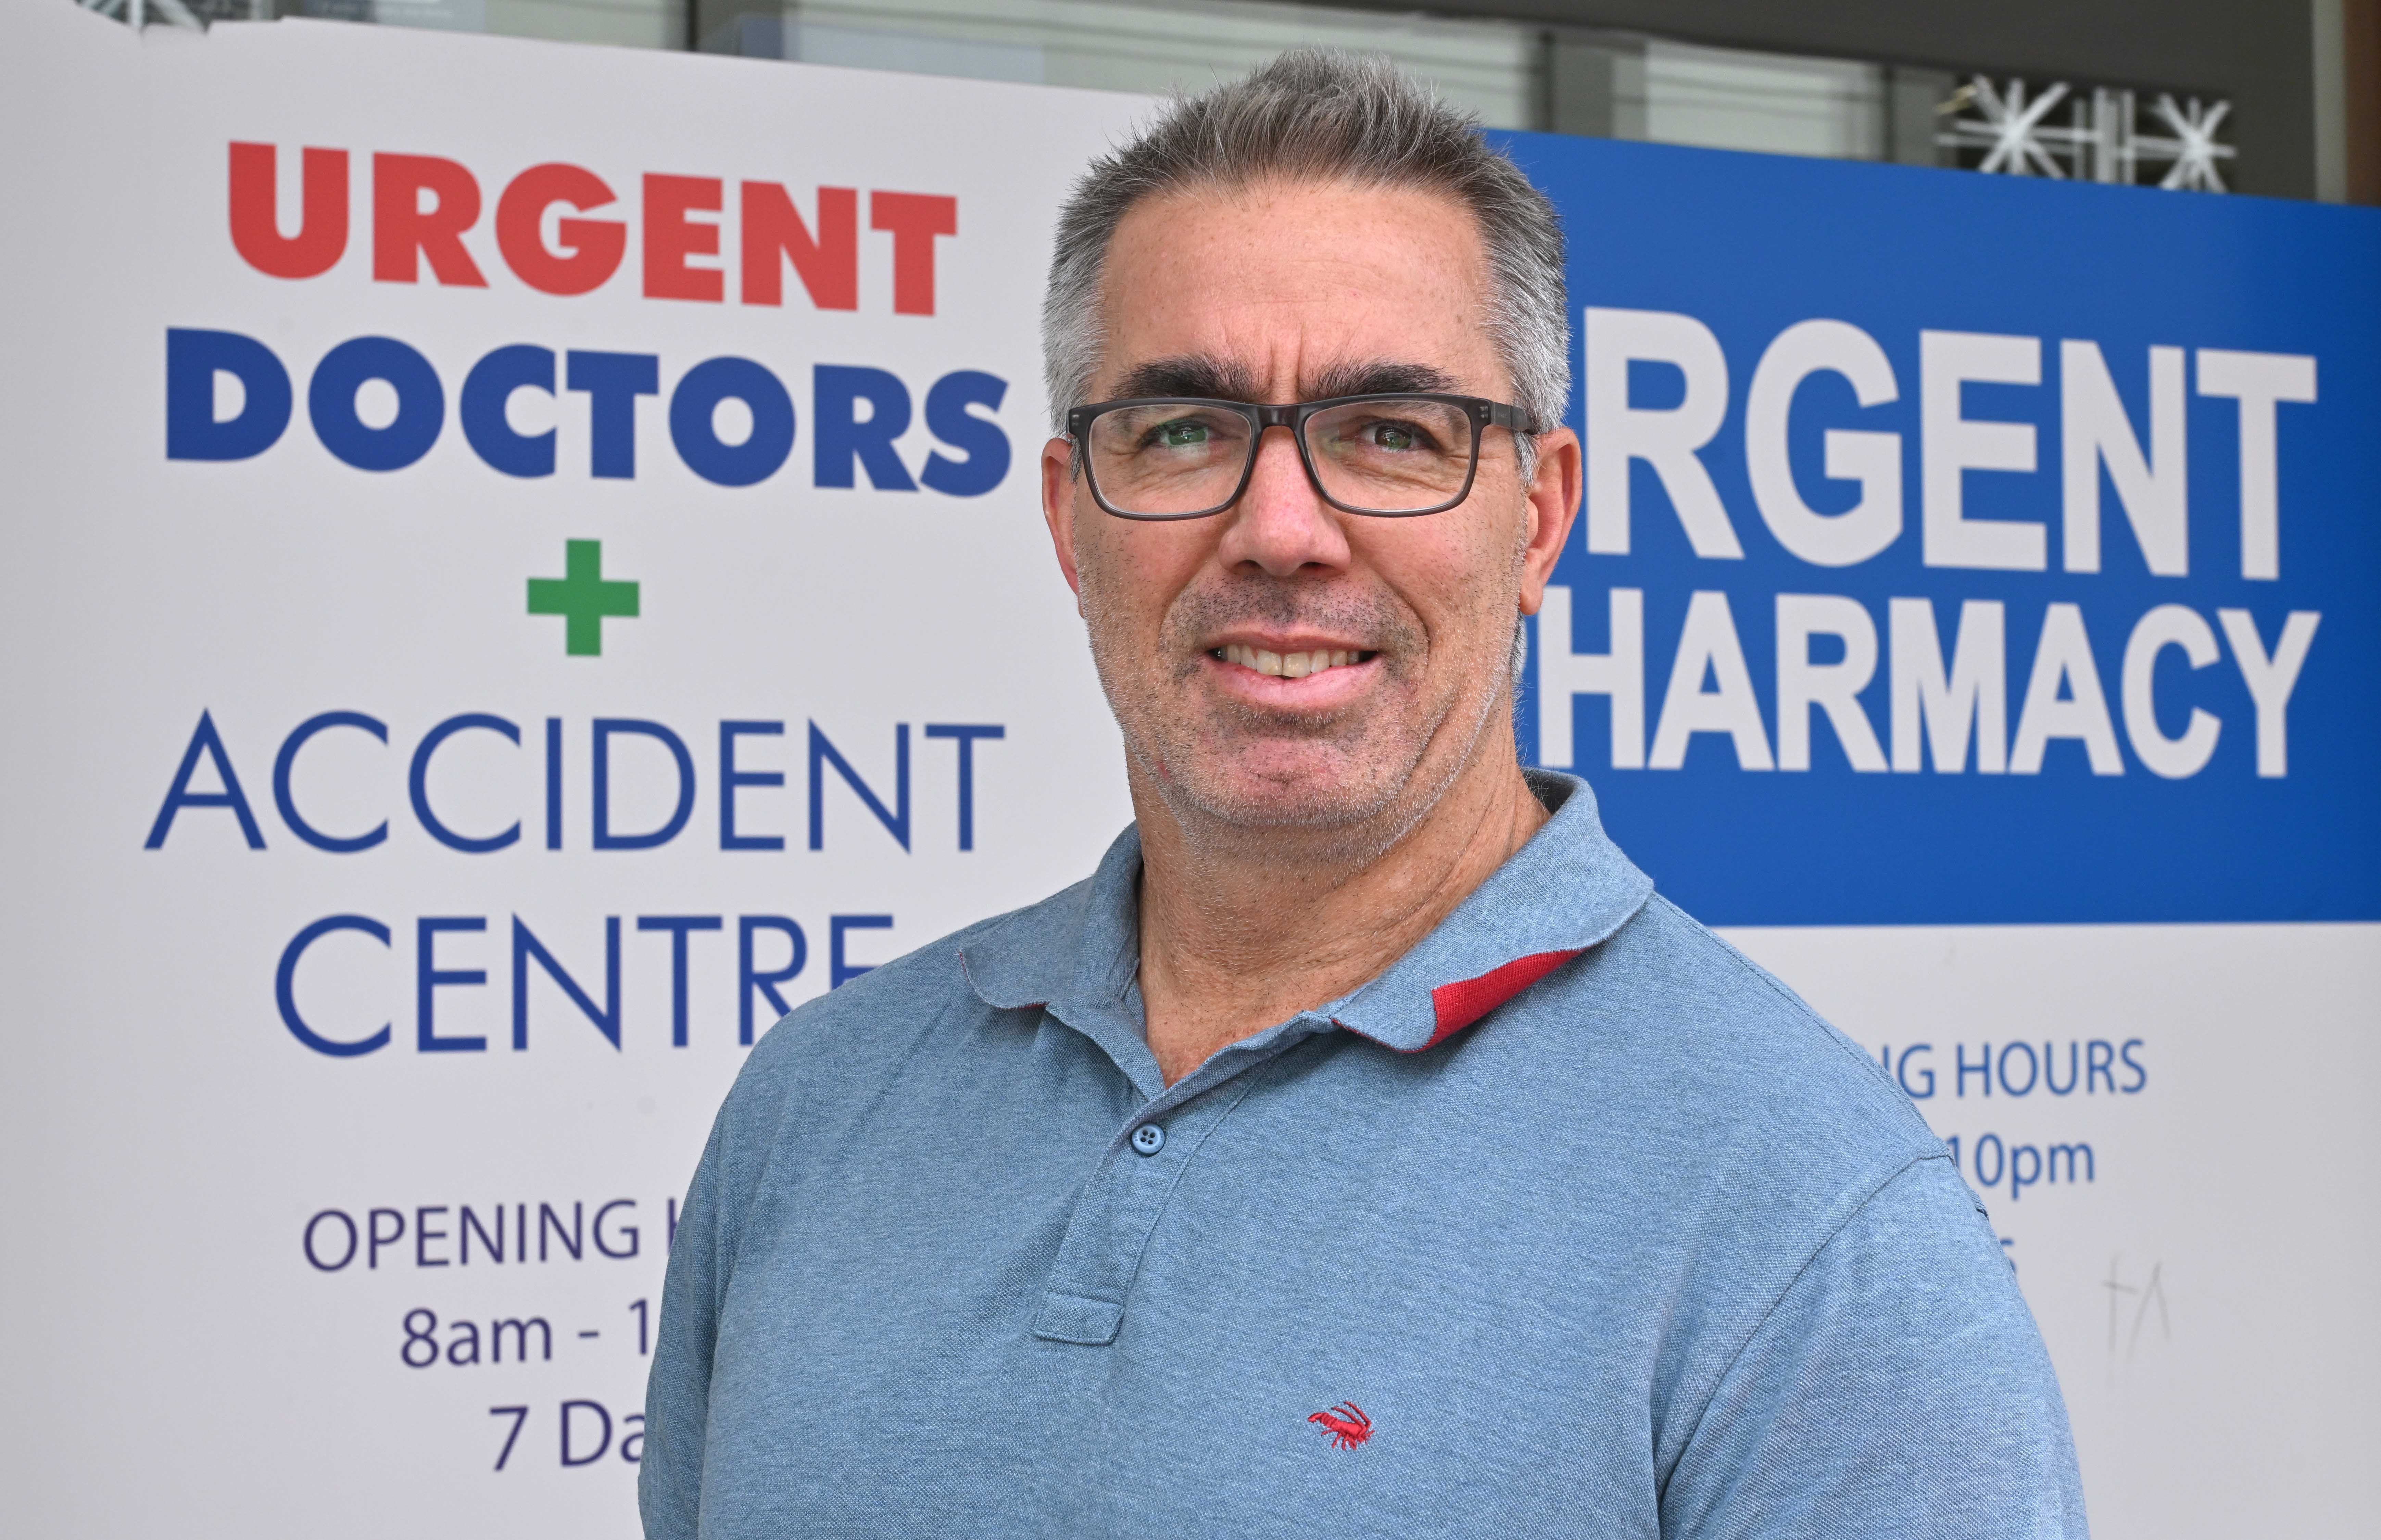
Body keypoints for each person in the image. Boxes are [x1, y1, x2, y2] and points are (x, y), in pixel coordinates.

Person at [640, 48, 2086, 1539]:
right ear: (1073, 520)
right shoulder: (812, 1112)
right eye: (1183, 428)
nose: (1280, 530)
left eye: (1392, 434)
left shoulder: (1805, 1220)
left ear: (1539, 518)